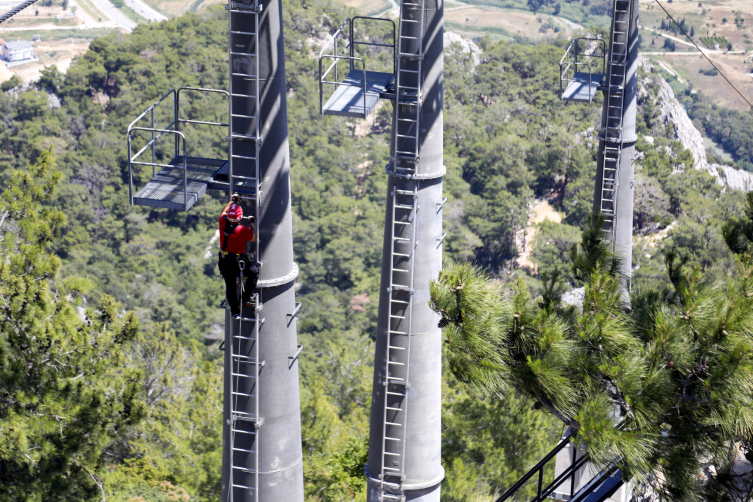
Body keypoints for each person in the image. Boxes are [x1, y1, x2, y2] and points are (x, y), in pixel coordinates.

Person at [218, 194, 259, 319]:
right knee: (254, 272)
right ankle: (245, 298)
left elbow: (223, 211)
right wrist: (251, 223)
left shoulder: (222, 222)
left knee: (230, 286)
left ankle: (235, 312)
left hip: (224, 261)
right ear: (240, 217)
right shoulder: (243, 229)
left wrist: (232, 201)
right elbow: (254, 238)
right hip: (237, 262)